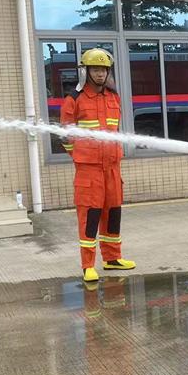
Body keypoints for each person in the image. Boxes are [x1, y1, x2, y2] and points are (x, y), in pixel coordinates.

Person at [60, 48, 136, 282]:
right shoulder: (74, 99)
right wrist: (82, 158)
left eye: (104, 70)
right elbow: (66, 137)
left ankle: (112, 258)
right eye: (95, 69)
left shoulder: (113, 97)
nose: (100, 74)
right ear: (85, 71)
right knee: (90, 216)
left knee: (113, 213)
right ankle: (88, 265)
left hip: (112, 167)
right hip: (89, 170)